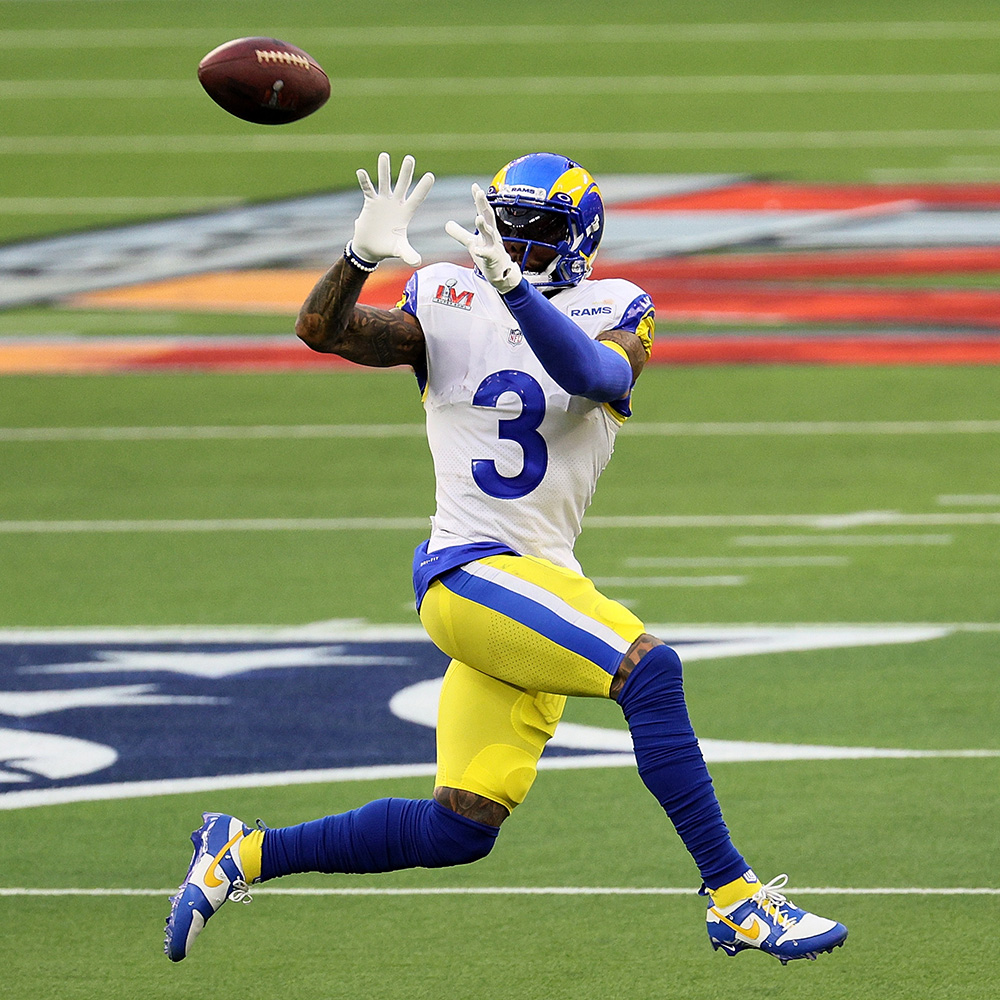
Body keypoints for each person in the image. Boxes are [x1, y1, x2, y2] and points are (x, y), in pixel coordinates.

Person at [164, 152, 848, 965]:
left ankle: (240, 852)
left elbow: (593, 372)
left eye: (536, 233)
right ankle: (735, 899)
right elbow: (324, 331)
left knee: (459, 826)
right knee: (650, 672)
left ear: (580, 240)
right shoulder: (448, 298)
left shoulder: (618, 307)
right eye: (507, 227)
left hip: (535, 581)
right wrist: (356, 260)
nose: (515, 245)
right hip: (467, 571)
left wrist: (518, 293)